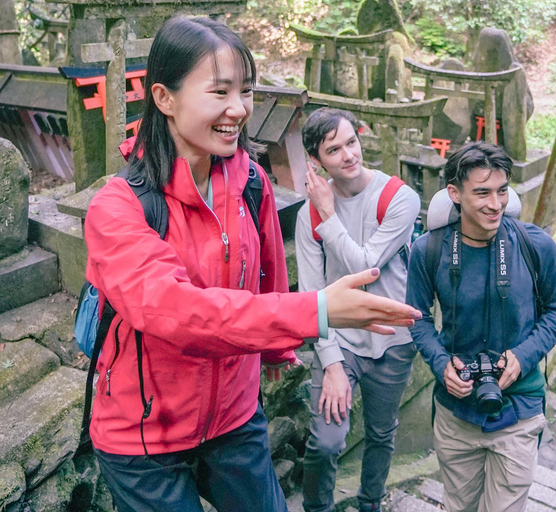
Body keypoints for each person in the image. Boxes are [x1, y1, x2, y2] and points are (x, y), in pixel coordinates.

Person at [83, 18, 420, 512]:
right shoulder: (117, 209)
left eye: (245, 90)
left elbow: (266, 277)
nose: (239, 109)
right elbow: (174, 310)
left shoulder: (252, 183)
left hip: (235, 415)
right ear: (164, 97)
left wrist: (275, 352)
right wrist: (318, 310)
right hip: (143, 436)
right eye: (220, 91)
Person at [405, 141, 556, 512]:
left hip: (519, 407)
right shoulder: (429, 250)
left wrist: (523, 356)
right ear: (455, 194)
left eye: (501, 191)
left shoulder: (535, 245)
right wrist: (440, 363)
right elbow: (416, 317)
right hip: (455, 410)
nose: (495, 204)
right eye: (482, 192)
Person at [296, 108, 421, 512]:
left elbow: (365, 268)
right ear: (316, 160)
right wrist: (331, 364)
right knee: (326, 442)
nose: (349, 155)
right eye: (334, 149)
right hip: (340, 336)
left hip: (393, 336)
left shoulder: (398, 198)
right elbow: (312, 295)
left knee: (382, 433)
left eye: (352, 142)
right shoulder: (308, 215)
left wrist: (330, 216)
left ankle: (370, 503)